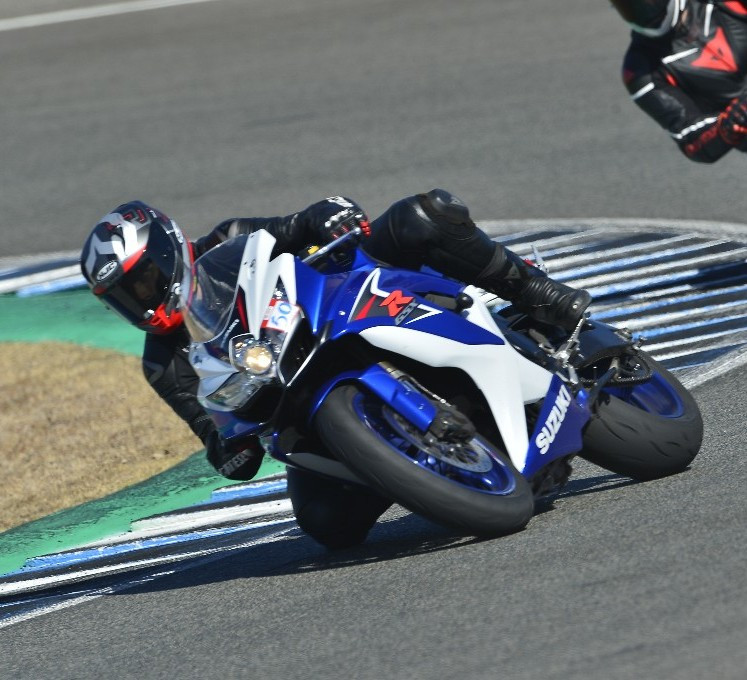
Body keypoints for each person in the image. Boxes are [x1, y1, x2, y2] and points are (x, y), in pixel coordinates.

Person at [80, 190, 590, 548]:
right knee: (326, 525)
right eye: (125, 297)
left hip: (344, 313)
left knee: (421, 215)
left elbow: (302, 224)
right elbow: (213, 435)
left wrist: (331, 217)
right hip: (296, 401)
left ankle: (537, 293)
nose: (141, 300)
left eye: (143, 281)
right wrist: (231, 447)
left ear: (166, 248)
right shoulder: (163, 363)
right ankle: (422, 469)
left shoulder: (230, 239)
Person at [612, 0, 747, 162]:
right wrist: (730, 124)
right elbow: (691, 140)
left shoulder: (720, 4)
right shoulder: (639, 71)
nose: (645, 9)